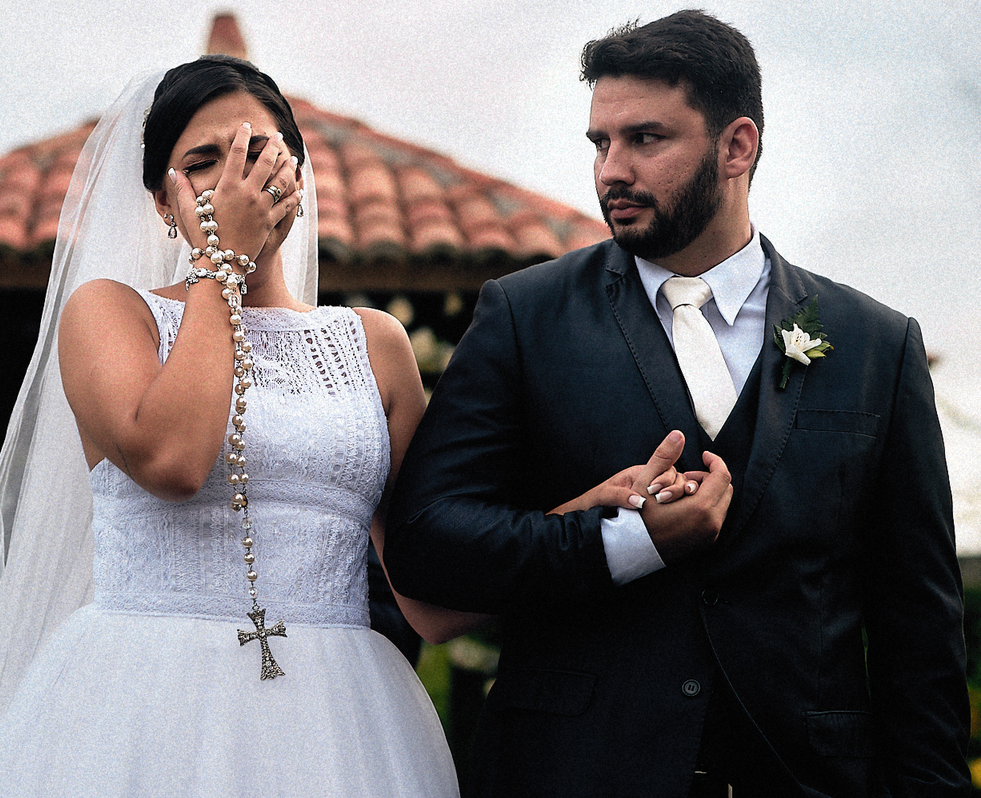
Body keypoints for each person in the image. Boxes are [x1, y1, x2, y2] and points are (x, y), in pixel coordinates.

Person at [385, 10, 969, 798]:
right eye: (600, 142)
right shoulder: (524, 317)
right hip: (570, 776)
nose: (611, 171)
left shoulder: (874, 345)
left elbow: (919, 632)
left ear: (737, 146)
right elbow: (425, 546)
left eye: (645, 140)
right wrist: (620, 542)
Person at [0, 54, 494, 797]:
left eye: (259, 154)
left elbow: (430, 594)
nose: (236, 181)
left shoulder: (375, 345)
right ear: (164, 199)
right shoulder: (109, 314)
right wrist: (219, 263)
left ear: (299, 176)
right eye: (203, 163)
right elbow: (176, 460)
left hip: (337, 726)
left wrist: (590, 522)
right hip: (143, 710)